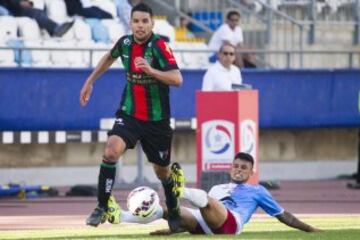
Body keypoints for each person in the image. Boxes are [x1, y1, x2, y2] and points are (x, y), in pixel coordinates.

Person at [79, 3, 183, 232]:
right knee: (110, 151)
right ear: (131, 23)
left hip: (157, 121)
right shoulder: (125, 43)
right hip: (130, 114)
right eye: (136, 21)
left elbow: (177, 79)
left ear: (152, 23)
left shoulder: (159, 46)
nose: (140, 25)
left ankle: (174, 211)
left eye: (145, 21)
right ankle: (101, 206)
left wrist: (151, 71)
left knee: (162, 171)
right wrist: (90, 81)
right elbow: (109, 57)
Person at [107, 152, 322, 235]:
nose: (238, 169)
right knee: (164, 210)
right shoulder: (218, 187)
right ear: (231, 167)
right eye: (236, 166)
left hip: (230, 223)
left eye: (243, 167)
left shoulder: (258, 191)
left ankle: (180, 189)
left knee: (206, 201)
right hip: (205, 225)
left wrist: (309, 229)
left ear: (251, 171)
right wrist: (173, 229)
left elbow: (283, 215)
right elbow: (201, 219)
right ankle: (120, 216)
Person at [1, 0, 74, 37]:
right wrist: (19, 3)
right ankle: (54, 29)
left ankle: (54, 29)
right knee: (35, 13)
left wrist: (27, 3)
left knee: (37, 11)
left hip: (17, 7)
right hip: (10, 9)